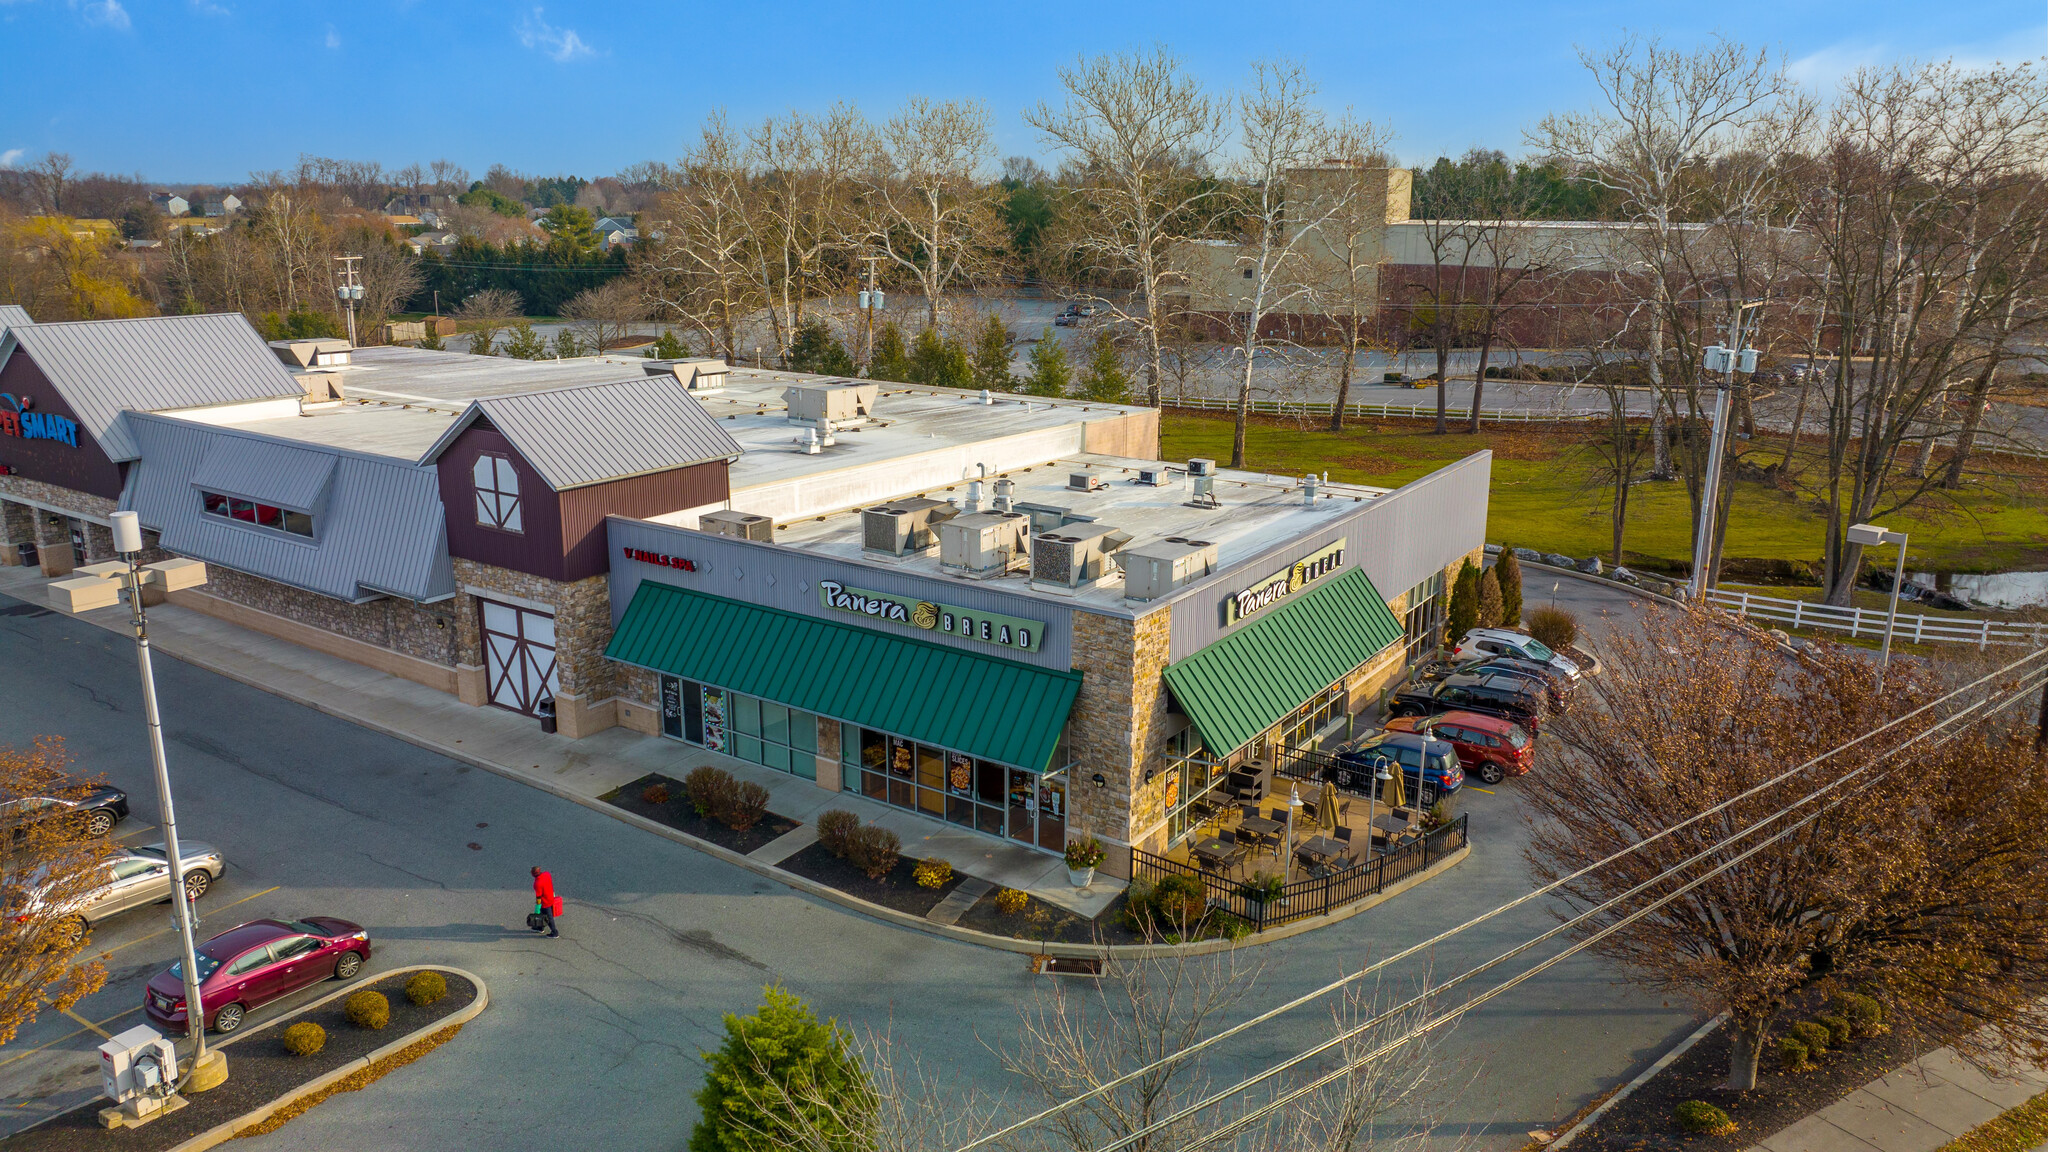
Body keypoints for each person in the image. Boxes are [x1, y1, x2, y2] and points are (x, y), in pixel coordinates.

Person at [530, 865, 561, 938]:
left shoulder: (537, 883)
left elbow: (538, 897)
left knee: (548, 917)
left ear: (534, 874)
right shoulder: (547, 874)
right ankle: (540, 927)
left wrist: (537, 908)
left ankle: (554, 932)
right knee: (542, 914)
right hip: (551, 897)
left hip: (545, 902)